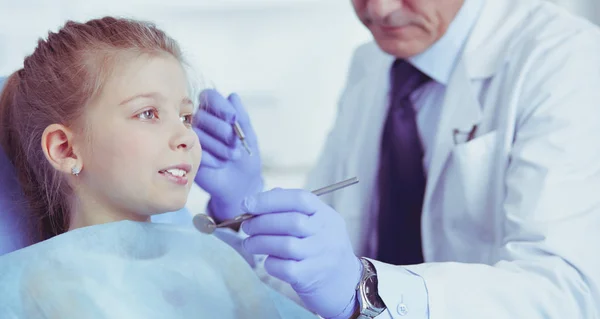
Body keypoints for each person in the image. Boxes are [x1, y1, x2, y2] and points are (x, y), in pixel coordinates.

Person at [193, 0, 600, 318]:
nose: (379, 11)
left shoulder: (565, 59)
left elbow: (566, 293)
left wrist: (366, 289)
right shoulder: (370, 64)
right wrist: (242, 206)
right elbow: (317, 275)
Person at [0, 17, 315, 319]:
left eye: (185, 117)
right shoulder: (43, 288)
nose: (186, 137)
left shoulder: (215, 266)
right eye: (148, 113)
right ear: (65, 149)